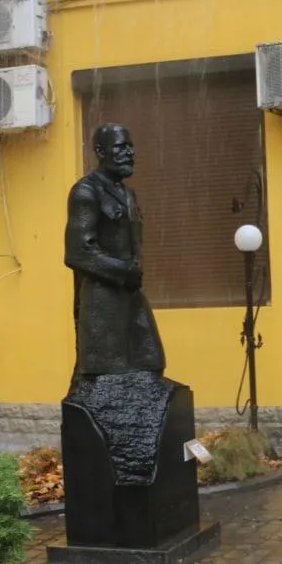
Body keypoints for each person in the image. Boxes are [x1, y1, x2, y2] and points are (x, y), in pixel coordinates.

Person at [64, 123, 165, 380]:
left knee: (151, 362)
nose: (129, 153)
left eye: (130, 147)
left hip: (130, 294)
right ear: (100, 151)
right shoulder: (86, 191)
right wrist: (124, 272)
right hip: (102, 301)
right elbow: (78, 252)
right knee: (107, 376)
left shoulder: (128, 193)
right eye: (121, 147)